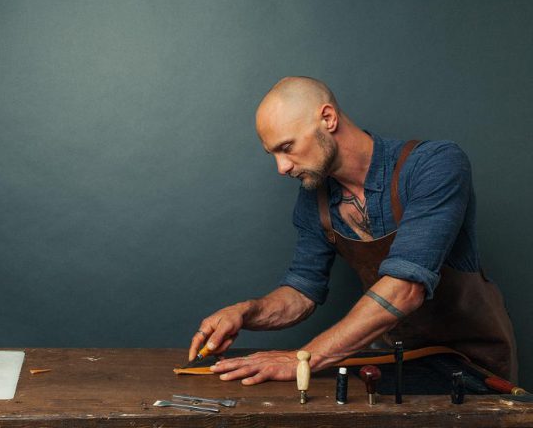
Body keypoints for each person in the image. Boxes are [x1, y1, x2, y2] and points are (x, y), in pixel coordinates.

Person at [188, 76, 517, 385]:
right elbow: (302, 292)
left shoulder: (435, 165)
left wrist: (302, 359)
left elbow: (405, 289)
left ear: (328, 118)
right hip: (395, 361)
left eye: (286, 147)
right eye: (273, 153)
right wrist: (245, 313)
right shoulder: (314, 197)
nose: (282, 167)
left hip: (474, 365)